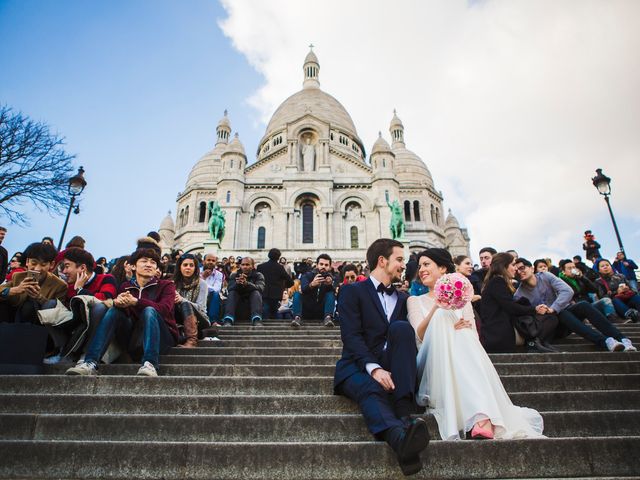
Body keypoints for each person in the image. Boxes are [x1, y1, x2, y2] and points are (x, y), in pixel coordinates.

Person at [408, 248, 544, 441]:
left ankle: (481, 415)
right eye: (420, 265)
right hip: (432, 359)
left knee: (463, 333)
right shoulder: (414, 300)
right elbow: (419, 335)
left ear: (443, 268)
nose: (421, 269)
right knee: (442, 317)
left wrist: (460, 326)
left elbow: (471, 332)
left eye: (426, 264)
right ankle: (482, 417)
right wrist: (438, 307)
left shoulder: (462, 298)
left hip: (463, 354)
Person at [334, 238, 428, 476]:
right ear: (382, 261)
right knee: (371, 388)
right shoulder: (351, 291)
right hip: (357, 367)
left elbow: (419, 331)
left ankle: (404, 413)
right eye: (399, 260)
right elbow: (351, 336)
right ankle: (401, 438)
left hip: (397, 368)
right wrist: (374, 368)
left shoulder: (405, 298)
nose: (403, 265)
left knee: (401, 329)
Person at [66, 248, 178, 377]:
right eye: (144, 261)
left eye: (153, 262)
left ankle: (150, 363)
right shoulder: (125, 286)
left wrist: (136, 302)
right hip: (134, 338)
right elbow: (128, 316)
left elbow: (165, 309)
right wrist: (120, 304)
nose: (148, 264)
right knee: (114, 311)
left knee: (149, 311)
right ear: (133, 266)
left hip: (161, 337)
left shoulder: (166, 285)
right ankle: (90, 362)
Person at [515, 258, 634, 352]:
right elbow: (523, 312)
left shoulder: (545, 276)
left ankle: (622, 339)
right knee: (561, 313)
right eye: (517, 270)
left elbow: (567, 291)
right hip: (552, 327)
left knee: (583, 305)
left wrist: (553, 308)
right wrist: (538, 310)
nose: (520, 272)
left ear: (531, 268)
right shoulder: (519, 293)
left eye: (522, 268)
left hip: (565, 317)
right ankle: (605, 342)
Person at [479, 253, 556, 353]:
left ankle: (536, 343)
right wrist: (535, 309)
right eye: (513, 264)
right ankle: (533, 343)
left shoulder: (495, 281)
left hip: (499, 333)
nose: (516, 269)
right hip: (499, 336)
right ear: (504, 266)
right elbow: (511, 307)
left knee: (544, 316)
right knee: (550, 317)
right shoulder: (497, 281)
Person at [0, 242, 66, 323]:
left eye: (43, 264)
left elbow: (58, 312)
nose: (37, 269)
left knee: (29, 306)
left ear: (51, 265)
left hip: (38, 324)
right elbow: (2, 289)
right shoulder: (18, 276)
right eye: (34, 263)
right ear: (27, 261)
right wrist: (15, 290)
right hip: (12, 318)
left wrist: (39, 297)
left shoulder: (59, 285)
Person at [173, 253, 209, 348]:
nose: (188, 268)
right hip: (180, 318)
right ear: (180, 267)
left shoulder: (202, 284)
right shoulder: (173, 284)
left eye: (191, 265)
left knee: (185, 304)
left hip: (200, 319)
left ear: (195, 268)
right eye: (185, 265)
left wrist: (181, 300)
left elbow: (201, 308)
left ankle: (192, 340)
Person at [294, 253, 337, 328]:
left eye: (326, 265)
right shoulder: (307, 275)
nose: (323, 266)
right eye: (321, 264)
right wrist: (312, 285)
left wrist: (330, 285)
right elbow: (303, 289)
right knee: (297, 294)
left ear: (329, 267)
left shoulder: (332, 278)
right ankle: (297, 317)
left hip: (321, 311)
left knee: (330, 293)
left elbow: (335, 294)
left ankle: (328, 317)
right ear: (317, 265)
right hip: (307, 309)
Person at [221, 257, 265, 326]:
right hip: (237, 306)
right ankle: (228, 319)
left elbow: (260, 288)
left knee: (256, 292)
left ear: (252, 266)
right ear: (240, 265)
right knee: (232, 292)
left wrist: (247, 284)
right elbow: (229, 289)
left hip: (253, 306)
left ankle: (257, 319)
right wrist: (237, 284)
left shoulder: (258, 275)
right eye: (243, 264)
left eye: (247, 265)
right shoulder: (234, 275)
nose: (245, 267)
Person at [595, 258, 640, 323]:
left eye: (607, 265)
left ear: (611, 266)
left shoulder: (621, 276)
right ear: (599, 270)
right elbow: (602, 298)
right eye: (602, 266)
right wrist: (617, 292)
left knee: (636, 297)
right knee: (615, 300)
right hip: (616, 305)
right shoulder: (599, 281)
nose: (605, 267)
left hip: (627, 298)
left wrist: (628, 289)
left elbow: (634, 290)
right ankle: (630, 315)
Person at [257, 248, 294, 320]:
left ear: (268, 255)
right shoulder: (280, 268)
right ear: (278, 257)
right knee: (274, 313)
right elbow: (290, 282)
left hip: (263, 292)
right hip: (276, 294)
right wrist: (283, 286)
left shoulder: (260, 267)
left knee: (265, 311)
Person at [201, 253, 224, 325]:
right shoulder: (197, 271)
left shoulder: (219, 274)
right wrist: (203, 277)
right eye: (208, 260)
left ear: (215, 263)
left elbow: (217, 289)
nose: (211, 262)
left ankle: (213, 320)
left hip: (212, 297)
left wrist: (203, 281)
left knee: (215, 294)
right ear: (203, 261)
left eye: (213, 261)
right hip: (198, 295)